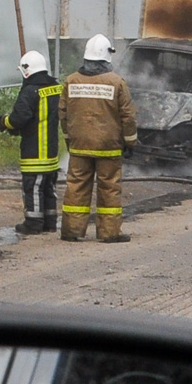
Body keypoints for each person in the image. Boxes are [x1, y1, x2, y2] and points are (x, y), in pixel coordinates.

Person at [59, 33, 138, 243]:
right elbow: (128, 116)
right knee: (109, 188)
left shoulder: (71, 81)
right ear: (107, 56)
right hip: (109, 148)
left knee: (76, 186)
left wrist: (69, 140)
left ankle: (72, 230)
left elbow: (63, 114)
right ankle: (110, 232)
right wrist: (130, 142)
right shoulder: (117, 82)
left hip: (79, 147)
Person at [0, 50, 61, 235]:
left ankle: (33, 223)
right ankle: (50, 222)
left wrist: (4, 122)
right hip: (52, 151)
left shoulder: (30, 91)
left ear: (26, 70)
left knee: (33, 187)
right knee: (49, 187)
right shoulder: (56, 87)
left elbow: (18, 118)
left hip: (34, 150)